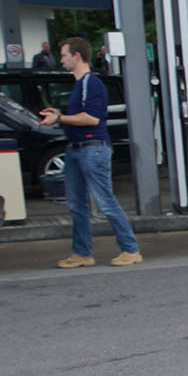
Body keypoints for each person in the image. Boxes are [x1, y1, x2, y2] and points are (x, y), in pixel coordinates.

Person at [41, 36, 140, 268]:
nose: (61, 60)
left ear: (76, 56)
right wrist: (60, 115)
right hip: (77, 148)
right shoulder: (81, 84)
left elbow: (92, 118)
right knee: (77, 205)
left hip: (92, 149)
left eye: (64, 55)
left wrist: (59, 118)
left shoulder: (90, 83)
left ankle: (130, 249)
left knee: (105, 202)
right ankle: (82, 253)